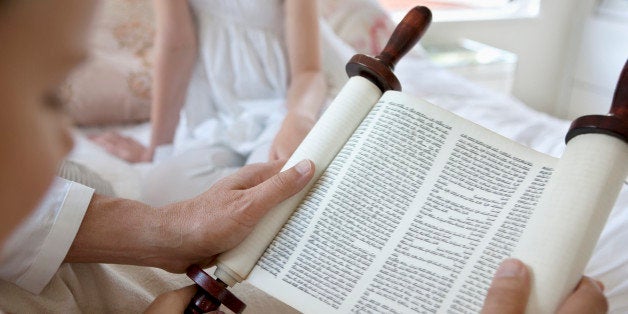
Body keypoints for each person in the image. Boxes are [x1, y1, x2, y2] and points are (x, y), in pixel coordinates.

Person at [0, 0, 608, 313]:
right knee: (177, 172)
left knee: (289, 174)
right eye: (51, 96)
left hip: (276, 99)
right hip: (217, 106)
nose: (62, 142)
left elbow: (306, 73)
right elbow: (176, 52)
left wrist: (293, 117)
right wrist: (158, 143)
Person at [90, 0, 328, 206]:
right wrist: (156, 149)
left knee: (284, 179)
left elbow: (308, 72)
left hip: (285, 105)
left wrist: (298, 117)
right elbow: (177, 45)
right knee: (159, 187)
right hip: (216, 112)